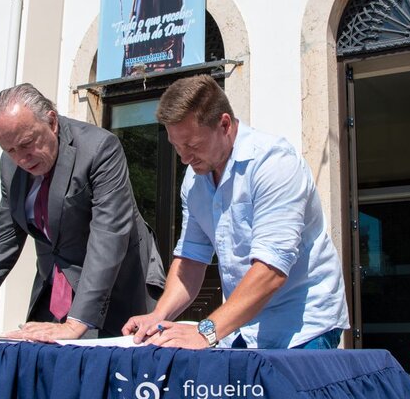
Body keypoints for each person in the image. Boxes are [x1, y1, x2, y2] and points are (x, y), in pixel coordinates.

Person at [0, 84, 165, 341]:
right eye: (10, 150)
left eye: (27, 144)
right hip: (54, 289)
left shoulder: (100, 148)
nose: (21, 159)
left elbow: (108, 236)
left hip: (117, 289)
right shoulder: (10, 167)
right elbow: (5, 239)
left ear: (52, 122)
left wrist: (77, 322)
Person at [122, 75, 350, 349]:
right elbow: (191, 259)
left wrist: (205, 332)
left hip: (303, 327)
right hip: (240, 327)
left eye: (192, 145)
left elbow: (271, 268)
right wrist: (158, 316)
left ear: (225, 124)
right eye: (176, 147)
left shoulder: (274, 163)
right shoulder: (194, 180)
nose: (184, 158)